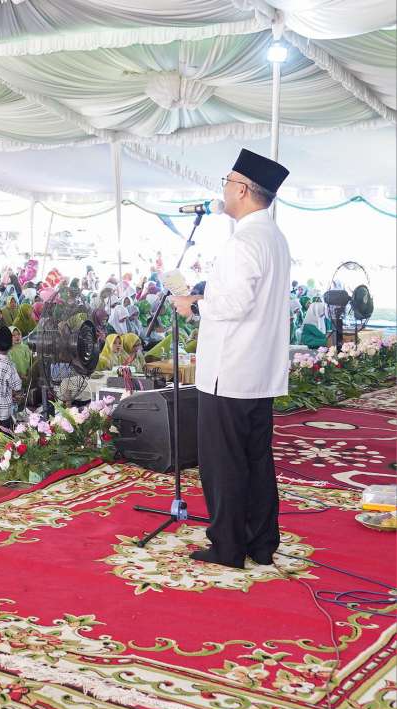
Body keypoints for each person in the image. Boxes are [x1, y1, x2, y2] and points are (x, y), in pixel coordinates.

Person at [170, 148, 291, 570]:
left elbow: (236, 302)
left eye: (227, 181)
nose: (223, 189)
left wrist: (194, 307)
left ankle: (227, 547)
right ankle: (261, 542)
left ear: (242, 189)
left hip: (230, 371)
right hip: (258, 370)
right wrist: (208, 298)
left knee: (223, 463)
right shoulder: (273, 237)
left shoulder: (245, 241)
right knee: (256, 459)